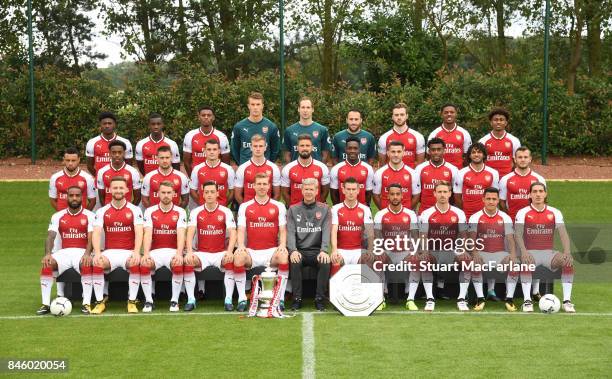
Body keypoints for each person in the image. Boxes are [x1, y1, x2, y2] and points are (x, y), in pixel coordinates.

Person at [514, 182, 575, 313]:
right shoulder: (523, 212)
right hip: (530, 252)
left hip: (549, 254)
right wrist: (523, 251)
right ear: (529, 195)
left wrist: (567, 252)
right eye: (534, 191)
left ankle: (567, 302)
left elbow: (563, 234)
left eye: (541, 191)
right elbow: (517, 234)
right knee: (526, 263)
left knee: (567, 262)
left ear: (545, 194)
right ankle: (527, 301)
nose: (538, 194)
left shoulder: (555, 212)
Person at [233, 173, 289, 311]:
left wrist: (282, 245)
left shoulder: (279, 206)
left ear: (269, 186)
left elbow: (283, 230)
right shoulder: (245, 206)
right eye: (259, 184)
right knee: (238, 257)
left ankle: (279, 298)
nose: (262, 187)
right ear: (254, 186)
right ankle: (241, 298)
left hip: (271, 252)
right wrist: (240, 246)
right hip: (252, 252)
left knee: (283, 256)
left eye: (265, 184)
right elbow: (241, 229)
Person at [37, 187, 96, 315]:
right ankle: (46, 304)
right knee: (47, 264)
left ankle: (86, 303)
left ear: (82, 197)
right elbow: (51, 236)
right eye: (71, 195)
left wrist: (87, 254)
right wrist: (48, 254)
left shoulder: (90, 216)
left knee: (86, 263)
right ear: (66, 197)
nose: (74, 198)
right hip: (63, 253)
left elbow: (92, 237)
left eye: (77, 195)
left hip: (81, 252)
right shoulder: (57, 216)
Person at [90, 177, 144, 314]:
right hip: (109, 253)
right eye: (115, 188)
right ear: (109, 190)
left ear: (127, 190)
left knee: (135, 263)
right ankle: (99, 301)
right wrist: (97, 253)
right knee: (97, 263)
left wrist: (137, 252)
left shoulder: (135, 210)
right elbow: (96, 233)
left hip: (128, 251)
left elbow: (139, 232)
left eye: (121, 188)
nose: (118, 190)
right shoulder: (102, 211)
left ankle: (131, 301)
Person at [185, 181, 237, 311]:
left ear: (217, 193)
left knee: (230, 261)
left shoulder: (226, 211)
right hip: (202, 253)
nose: (209, 195)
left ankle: (228, 299)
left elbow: (233, 233)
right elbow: (190, 233)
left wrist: (230, 251)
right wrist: (190, 252)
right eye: (206, 192)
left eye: (212, 192)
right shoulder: (196, 212)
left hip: (220, 253)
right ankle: (191, 299)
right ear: (202, 194)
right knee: (188, 262)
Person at [418, 181, 467, 311]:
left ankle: (461, 299)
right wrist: (425, 251)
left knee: (467, 261)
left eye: (445, 192)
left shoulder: (459, 213)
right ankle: (430, 298)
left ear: (450, 193)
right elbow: (423, 236)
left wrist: (462, 251)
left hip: (451, 251)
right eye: (439, 192)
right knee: (424, 260)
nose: (442, 195)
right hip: (433, 250)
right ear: (434, 194)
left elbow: (463, 235)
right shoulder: (426, 213)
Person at [467, 187, 517, 311]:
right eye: (488, 198)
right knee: (474, 263)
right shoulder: (475, 217)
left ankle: (509, 299)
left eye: (494, 199)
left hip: (500, 253)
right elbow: (471, 239)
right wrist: (474, 253)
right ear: (483, 199)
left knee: (515, 264)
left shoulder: (505, 217)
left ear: (498, 200)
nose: (491, 201)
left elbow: (510, 239)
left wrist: (513, 254)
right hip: (482, 253)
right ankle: (480, 298)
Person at [141, 181, 187, 312]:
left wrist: (179, 254)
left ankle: (174, 301)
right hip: (155, 252)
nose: (166, 195)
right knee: (144, 264)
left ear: (174, 194)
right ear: (158, 194)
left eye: (169, 193)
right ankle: (149, 301)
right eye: (163, 192)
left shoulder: (180, 211)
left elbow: (181, 234)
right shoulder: (150, 211)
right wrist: (146, 253)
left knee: (178, 264)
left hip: (173, 251)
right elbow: (148, 233)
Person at [287, 178, 331, 311]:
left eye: (311, 189)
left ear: (317, 191)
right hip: (300, 250)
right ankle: (297, 299)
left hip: (317, 251)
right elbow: (290, 232)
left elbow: (326, 231)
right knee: (294, 262)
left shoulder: (324, 209)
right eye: (306, 189)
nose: (308, 192)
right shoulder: (293, 209)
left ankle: (319, 299)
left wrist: (324, 250)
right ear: (301, 190)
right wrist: (293, 250)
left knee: (325, 262)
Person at [373, 184, 419, 310]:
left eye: (397, 194)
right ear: (388, 196)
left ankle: (410, 299)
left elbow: (415, 237)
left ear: (402, 196)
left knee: (417, 261)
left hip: (405, 251)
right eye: (392, 194)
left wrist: (413, 253)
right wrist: (380, 252)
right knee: (377, 261)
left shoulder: (410, 214)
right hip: (388, 251)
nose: (395, 197)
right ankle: (380, 299)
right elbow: (377, 238)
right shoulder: (380, 215)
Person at [330, 177, 375, 275]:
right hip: (341, 250)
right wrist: (334, 250)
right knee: (335, 261)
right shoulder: (335, 209)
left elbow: (370, 233)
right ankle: (335, 290)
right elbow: (333, 231)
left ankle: (365, 290)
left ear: (358, 190)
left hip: (358, 250)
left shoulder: (365, 209)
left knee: (368, 260)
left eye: (354, 189)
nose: (351, 192)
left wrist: (370, 250)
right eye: (348, 189)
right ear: (343, 190)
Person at [230, 92, 281, 165]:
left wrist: (268, 163)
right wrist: (243, 164)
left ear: (262, 106)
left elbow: (275, 150)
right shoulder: (239, 127)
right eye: (252, 104)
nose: (255, 107)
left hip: (264, 169)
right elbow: (235, 150)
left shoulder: (271, 127)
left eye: (258, 104)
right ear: (248, 106)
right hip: (245, 168)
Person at [498, 147, 546, 221]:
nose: (523, 160)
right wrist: (508, 218)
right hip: (512, 221)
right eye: (520, 157)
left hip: (533, 221)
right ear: (515, 159)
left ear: (530, 159)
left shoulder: (539, 179)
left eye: (525, 157)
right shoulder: (505, 179)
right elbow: (501, 202)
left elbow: (543, 201)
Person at [453, 142, 499, 219]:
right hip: (467, 215)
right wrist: (463, 213)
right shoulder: (461, 173)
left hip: (486, 215)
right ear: (470, 156)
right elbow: (457, 196)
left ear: (484, 155)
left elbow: (495, 196)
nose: (476, 154)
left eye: (479, 152)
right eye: (473, 152)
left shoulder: (493, 173)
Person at [281, 134, 330, 206]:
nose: (305, 148)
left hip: (316, 211)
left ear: (312, 147)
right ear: (297, 148)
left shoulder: (322, 167)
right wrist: (293, 208)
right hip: (295, 211)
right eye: (302, 146)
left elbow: (325, 191)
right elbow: (285, 193)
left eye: (307, 146)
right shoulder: (288, 168)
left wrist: (318, 206)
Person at [414, 138, 458, 214]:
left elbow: (455, 193)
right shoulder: (420, 168)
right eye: (433, 150)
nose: (436, 152)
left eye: (439, 149)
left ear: (444, 151)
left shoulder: (453, 169)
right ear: (429, 151)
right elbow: (417, 191)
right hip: (424, 212)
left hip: (445, 213)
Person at [183, 106, 230, 176]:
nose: (206, 117)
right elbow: (186, 162)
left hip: (216, 175)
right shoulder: (190, 135)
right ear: (199, 117)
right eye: (203, 115)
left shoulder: (221, 136)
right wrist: (192, 177)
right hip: (197, 176)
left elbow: (226, 161)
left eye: (209, 115)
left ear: (213, 117)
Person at [373, 140, 420, 210]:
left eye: (399, 152)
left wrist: (407, 212)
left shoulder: (413, 173)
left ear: (403, 153)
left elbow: (416, 196)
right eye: (393, 152)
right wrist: (384, 211)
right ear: (388, 153)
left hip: (406, 216)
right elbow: (375, 195)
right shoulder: (379, 173)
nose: (396, 155)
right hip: (386, 216)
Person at [234, 134, 281, 204]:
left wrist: (268, 207)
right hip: (248, 210)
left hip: (267, 210)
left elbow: (277, 195)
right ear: (251, 147)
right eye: (255, 146)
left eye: (261, 146)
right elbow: (237, 195)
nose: (258, 149)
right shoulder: (242, 168)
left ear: (265, 147)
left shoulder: (273, 168)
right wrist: (245, 208)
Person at [283, 97, 332, 163]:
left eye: (308, 107)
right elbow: (286, 154)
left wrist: (319, 168)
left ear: (312, 109)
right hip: (296, 171)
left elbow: (325, 154)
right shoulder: (289, 130)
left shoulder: (322, 130)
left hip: (315, 171)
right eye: (303, 107)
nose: (305, 110)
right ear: (298, 109)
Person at [190, 139, 236, 207]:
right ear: (204, 151)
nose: (212, 152)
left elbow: (232, 191)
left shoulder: (228, 169)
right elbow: (193, 191)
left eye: (214, 149)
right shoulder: (197, 169)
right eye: (209, 149)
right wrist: (201, 205)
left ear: (219, 151)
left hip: (221, 209)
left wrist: (224, 205)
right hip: (203, 208)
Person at [377, 102, 425, 168]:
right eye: (396, 115)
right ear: (392, 117)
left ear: (407, 116)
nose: (399, 117)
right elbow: (382, 165)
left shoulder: (418, 137)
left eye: (402, 115)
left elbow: (420, 165)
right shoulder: (384, 138)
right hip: (390, 177)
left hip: (411, 176)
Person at [329, 136, 374, 205]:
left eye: (355, 148)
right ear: (345, 149)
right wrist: (338, 208)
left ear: (359, 149)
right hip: (342, 209)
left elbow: (369, 192)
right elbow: (334, 192)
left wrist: (365, 207)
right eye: (349, 148)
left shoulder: (368, 168)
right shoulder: (336, 169)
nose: (352, 151)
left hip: (361, 210)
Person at [49, 146, 96, 211]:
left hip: (81, 218)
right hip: (62, 219)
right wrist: (60, 215)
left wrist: (85, 215)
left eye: (73, 160)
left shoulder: (88, 178)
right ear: (64, 160)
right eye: (68, 160)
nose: (70, 163)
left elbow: (92, 201)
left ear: (79, 160)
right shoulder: (55, 177)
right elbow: (52, 200)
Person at [96, 140, 142, 206]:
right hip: (108, 211)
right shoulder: (102, 171)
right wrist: (106, 210)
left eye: (120, 152)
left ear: (124, 153)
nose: (117, 155)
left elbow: (137, 197)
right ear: (109, 154)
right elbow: (101, 197)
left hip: (127, 212)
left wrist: (130, 210)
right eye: (114, 152)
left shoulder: (133, 172)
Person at [478, 107, 521, 177]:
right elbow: (479, 162)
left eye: (501, 120)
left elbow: (517, 162)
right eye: (495, 120)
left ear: (506, 123)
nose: (498, 122)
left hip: (507, 178)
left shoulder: (514, 140)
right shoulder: (483, 141)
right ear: (491, 123)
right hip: (488, 178)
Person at [427, 103, 471, 168]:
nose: (449, 114)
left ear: (456, 114)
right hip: (440, 171)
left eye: (452, 112)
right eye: (446, 112)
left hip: (459, 171)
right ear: (441, 115)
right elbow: (429, 156)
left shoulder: (464, 133)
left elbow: (467, 155)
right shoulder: (434, 134)